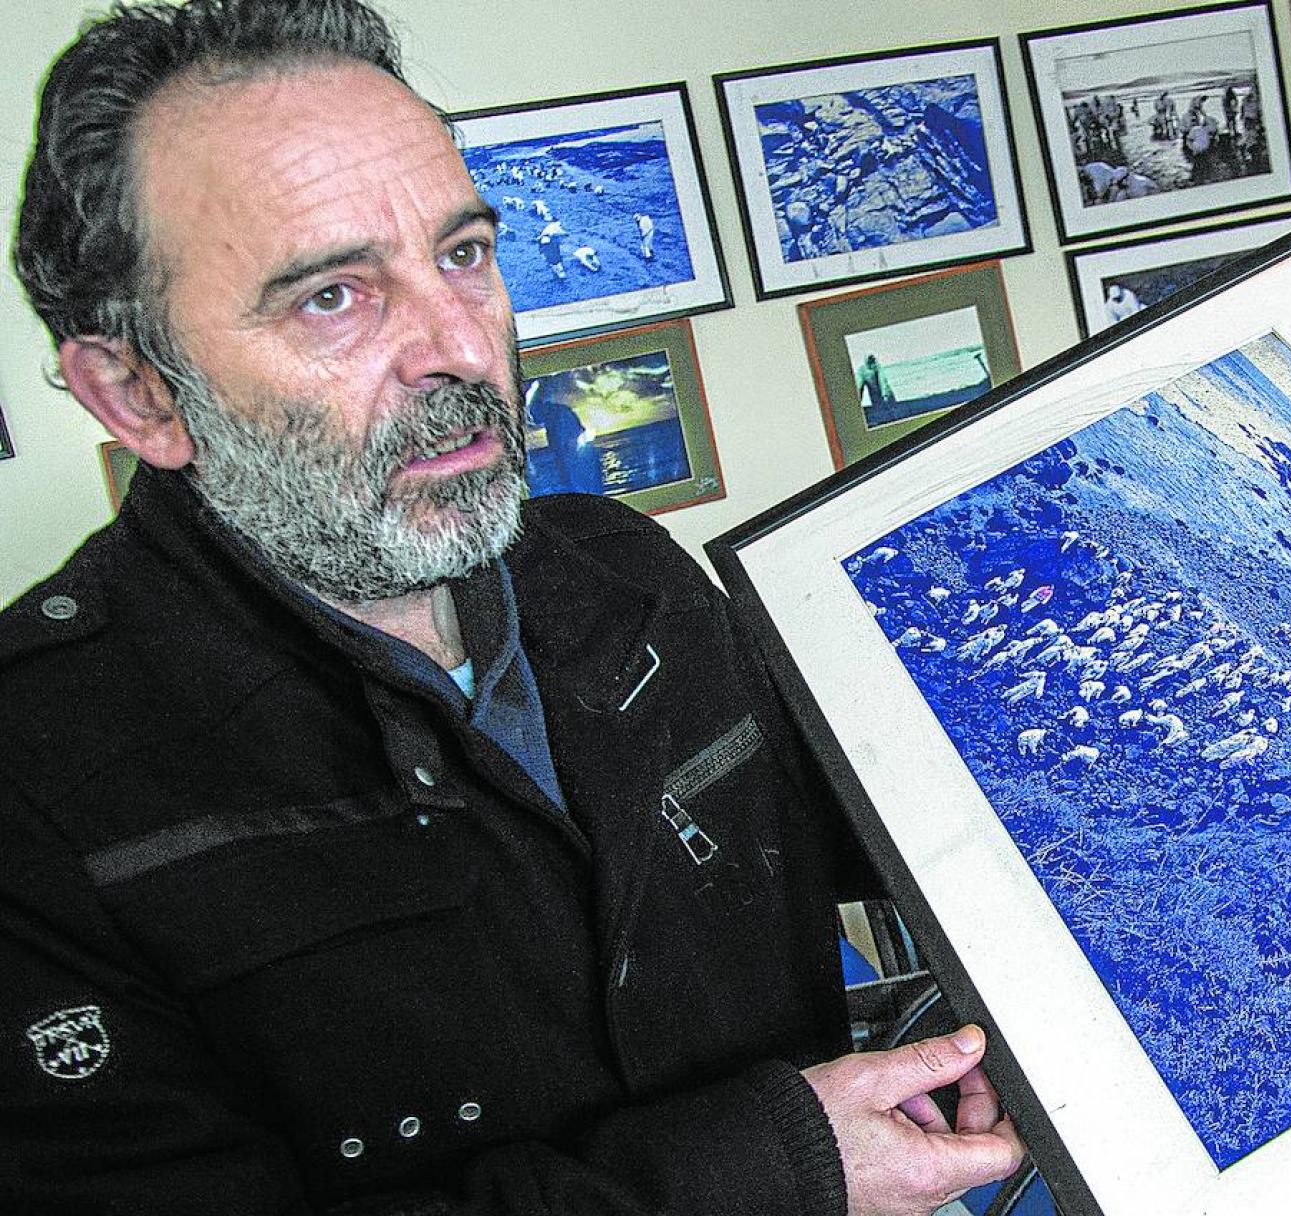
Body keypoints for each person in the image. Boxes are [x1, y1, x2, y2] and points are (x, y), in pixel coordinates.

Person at [0, 1, 1023, 1213]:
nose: (459, 347)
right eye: (332, 295)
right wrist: (775, 1166)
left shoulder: (623, 570)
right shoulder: (30, 788)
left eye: (465, 254)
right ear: (134, 395)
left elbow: (844, 824)